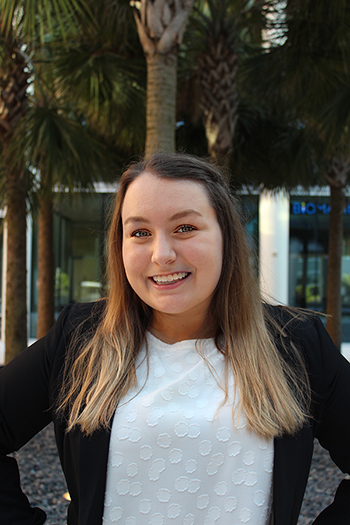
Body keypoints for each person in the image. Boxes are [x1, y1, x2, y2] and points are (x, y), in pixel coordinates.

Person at [0, 153, 349, 525]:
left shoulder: (295, 345)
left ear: (226, 237)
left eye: (185, 228)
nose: (162, 254)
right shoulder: (81, 339)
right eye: (139, 233)